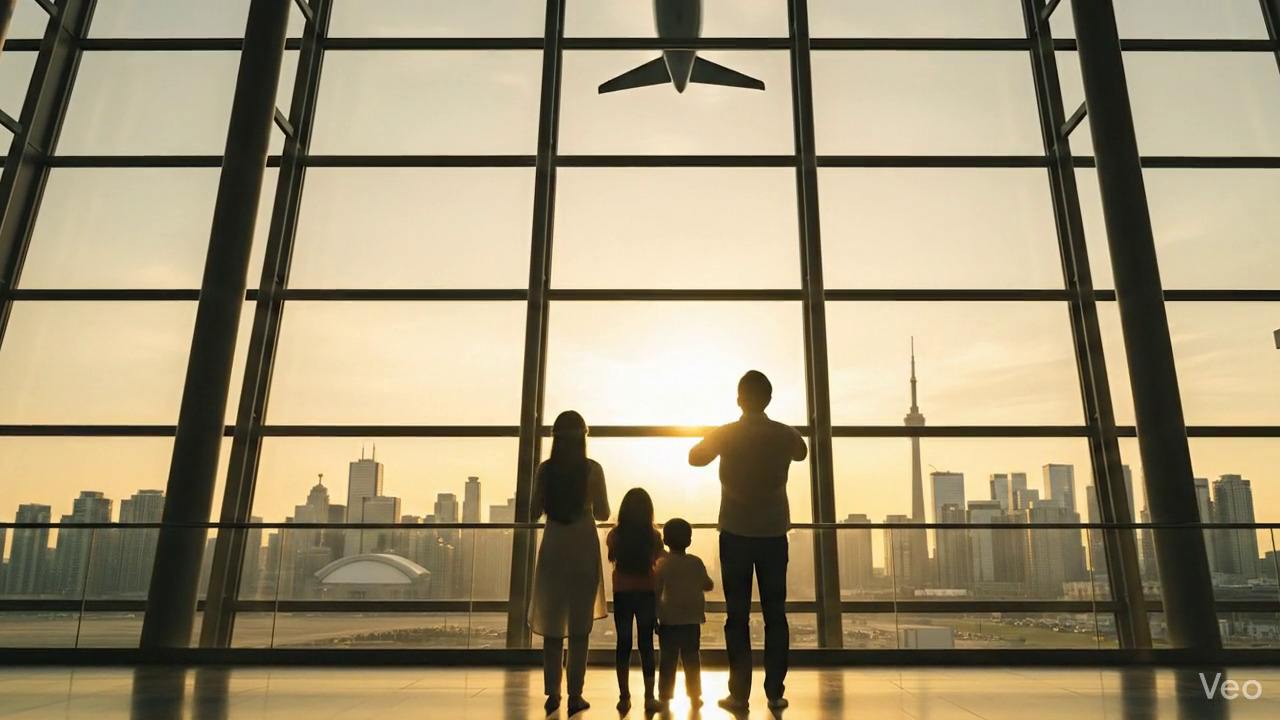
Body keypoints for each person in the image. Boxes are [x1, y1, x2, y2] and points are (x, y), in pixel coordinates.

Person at [689, 371, 807, 713]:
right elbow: (802, 452)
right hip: (773, 535)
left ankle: (739, 693)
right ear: (769, 400)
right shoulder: (784, 434)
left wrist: (716, 438)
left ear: (739, 399)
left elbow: (694, 457)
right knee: (776, 616)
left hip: (736, 534)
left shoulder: (726, 434)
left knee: (736, 616)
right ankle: (775, 692)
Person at [529, 410, 610, 716]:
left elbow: (533, 510)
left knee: (552, 625)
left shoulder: (545, 471)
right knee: (578, 627)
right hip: (582, 547)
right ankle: (576, 694)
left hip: (554, 547)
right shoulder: (592, 470)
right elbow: (602, 513)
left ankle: (552, 693)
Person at [605, 488, 665, 714]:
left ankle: (624, 696)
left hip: (622, 591)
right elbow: (661, 557)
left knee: (623, 643)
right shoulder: (653, 535)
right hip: (646, 592)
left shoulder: (616, 534)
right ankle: (650, 697)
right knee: (646, 644)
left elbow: (612, 556)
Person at [654, 517, 714, 710]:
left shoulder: (663, 564)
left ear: (665, 540)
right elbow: (708, 584)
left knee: (667, 660)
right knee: (691, 659)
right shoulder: (696, 562)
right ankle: (695, 696)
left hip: (669, 620)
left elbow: (656, 591)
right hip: (692, 620)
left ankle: (664, 696)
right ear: (689, 540)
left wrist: (655, 615)